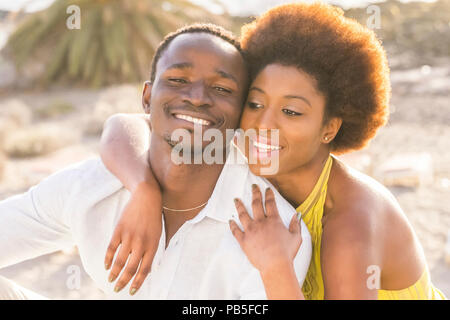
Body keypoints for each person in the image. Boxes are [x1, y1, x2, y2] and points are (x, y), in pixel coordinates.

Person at [100, 3, 446, 299]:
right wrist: (142, 189)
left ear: (330, 127)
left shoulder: (349, 222)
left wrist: (276, 265)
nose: (264, 124)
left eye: (291, 112)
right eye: (254, 103)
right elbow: (125, 126)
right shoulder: (251, 145)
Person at [0, 23, 312, 300]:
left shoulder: (274, 232)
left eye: (221, 88)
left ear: (241, 112)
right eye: (178, 79)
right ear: (147, 98)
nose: (198, 96)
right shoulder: (90, 187)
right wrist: (143, 189)